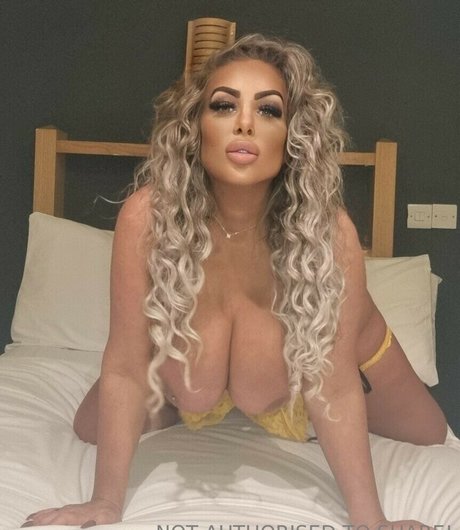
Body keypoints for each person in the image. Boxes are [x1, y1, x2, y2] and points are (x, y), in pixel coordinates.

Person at [23, 34, 447, 529]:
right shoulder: (148, 217)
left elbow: (334, 384)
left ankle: (306, 359)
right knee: (88, 427)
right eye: (224, 105)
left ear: (293, 135)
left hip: (314, 363)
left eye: (268, 110)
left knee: (428, 431)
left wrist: (369, 520)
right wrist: (105, 503)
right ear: (194, 126)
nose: (245, 122)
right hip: (197, 375)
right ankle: (194, 393)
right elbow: (124, 365)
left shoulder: (329, 234)